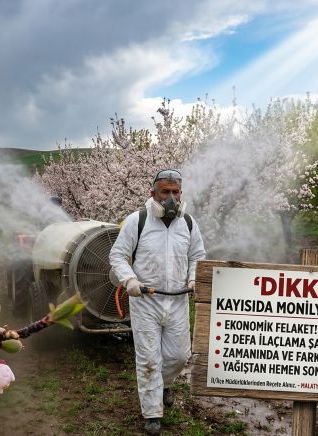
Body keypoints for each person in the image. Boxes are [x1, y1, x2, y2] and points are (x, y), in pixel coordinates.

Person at [109, 168, 205, 435]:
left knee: (179, 356)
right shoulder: (137, 221)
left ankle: (164, 384)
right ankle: (152, 413)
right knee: (149, 358)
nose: (171, 198)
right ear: (153, 193)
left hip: (177, 301)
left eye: (175, 192)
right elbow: (117, 255)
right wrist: (130, 280)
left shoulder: (188, 223)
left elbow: (197, 255)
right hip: (146, 302)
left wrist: (193, 278)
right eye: (165, 192)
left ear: (181, 193)